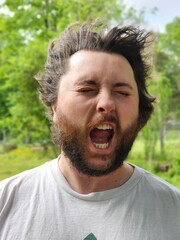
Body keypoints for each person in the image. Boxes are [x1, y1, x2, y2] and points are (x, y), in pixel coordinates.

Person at [0, 21, 180, 240]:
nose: (106, 103)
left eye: (122, 92)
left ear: (139, 112)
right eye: (87, 89)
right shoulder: (6, 203)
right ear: (54, 105)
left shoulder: (173, 210)